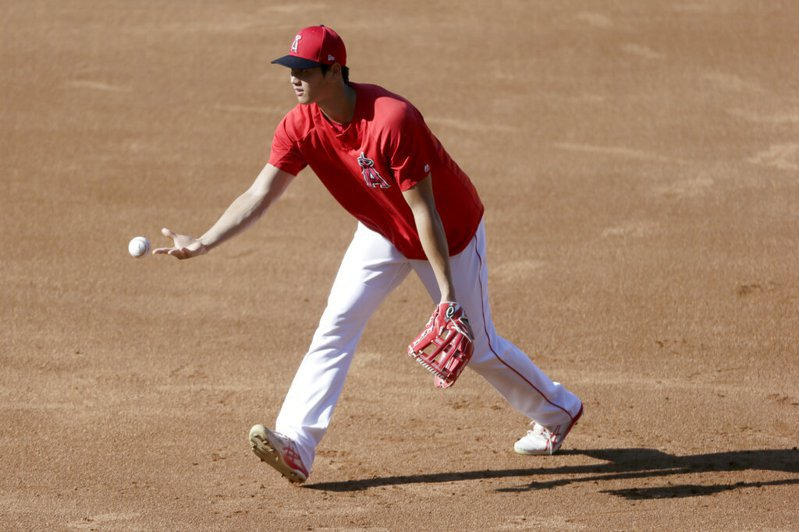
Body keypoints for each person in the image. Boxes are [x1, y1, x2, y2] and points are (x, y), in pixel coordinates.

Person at [154, 25, 583, 484]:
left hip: (447, 231)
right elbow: (260, 194)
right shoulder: (300, 124)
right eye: (290, 69)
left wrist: (446, 295)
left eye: (304, 69)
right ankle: (297, 443)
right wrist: (203, 240)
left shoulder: (391, 120)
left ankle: (559, 410)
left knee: (478, 347)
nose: (293, 78)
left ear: (334, 70)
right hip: (382, 229)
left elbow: (425, 212)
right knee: (336, 324)